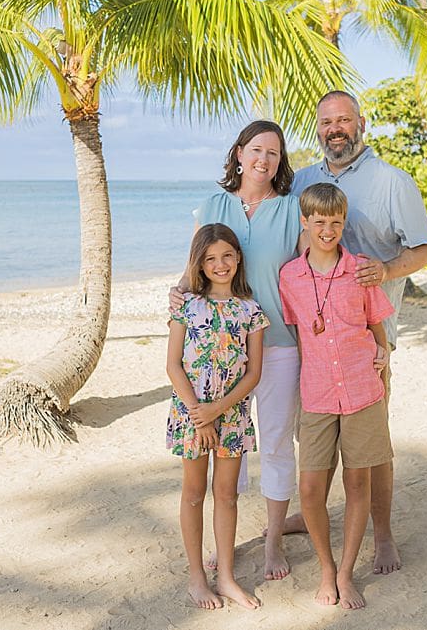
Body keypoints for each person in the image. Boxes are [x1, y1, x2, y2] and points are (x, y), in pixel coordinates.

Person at [291, 90, 427, 575]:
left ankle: (384, 534)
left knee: (371, 444)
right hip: (314, 340)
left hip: (370, 337)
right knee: (318, 433)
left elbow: (425, 249)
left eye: (344, 120)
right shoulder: (302, 181)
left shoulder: (392, 182)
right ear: (318, 128)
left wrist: (386, 270)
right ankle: (312, 510)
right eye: (326, 122)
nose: (335, 129)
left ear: (361, 124)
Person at [170, 120, 303, 581]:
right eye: (256, 149)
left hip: (279, 343)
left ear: (280, 162)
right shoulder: (213, 205)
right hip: (220, 351)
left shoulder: (291, 209)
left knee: (276, 442)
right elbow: (195, 267)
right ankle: (223, 544)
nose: (264, 159)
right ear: (240, 153)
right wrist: (178, 293)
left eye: (273, 153)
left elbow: (310, 269)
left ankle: (272, 542)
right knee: (232, 450)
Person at [279, 183, 394, 610]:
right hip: (318, 393)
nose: (328, 230)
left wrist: (382, 354)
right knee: (310, 488)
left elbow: (376, 326)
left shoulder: (360, 270)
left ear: (343, 224)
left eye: (336, 222)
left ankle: (345, 573)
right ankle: (326, 568)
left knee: (358, 480)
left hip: (363, 389)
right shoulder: (289, 277)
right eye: (319, 222)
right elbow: (299, 334)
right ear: (305, 223)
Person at [166, 223, 266, 610]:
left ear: (238, 258)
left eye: (226, 255)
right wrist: (202, 415)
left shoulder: (250, 310)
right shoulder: (187, 306)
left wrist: (218, 410)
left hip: (233, 414)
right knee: (194, 494)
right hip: (192, 414)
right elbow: (173, 365)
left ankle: (225, 577)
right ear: (199, 264)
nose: (220, 264)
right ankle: (197, 577)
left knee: (226, 495)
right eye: (210, 258)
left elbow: (253, 373)